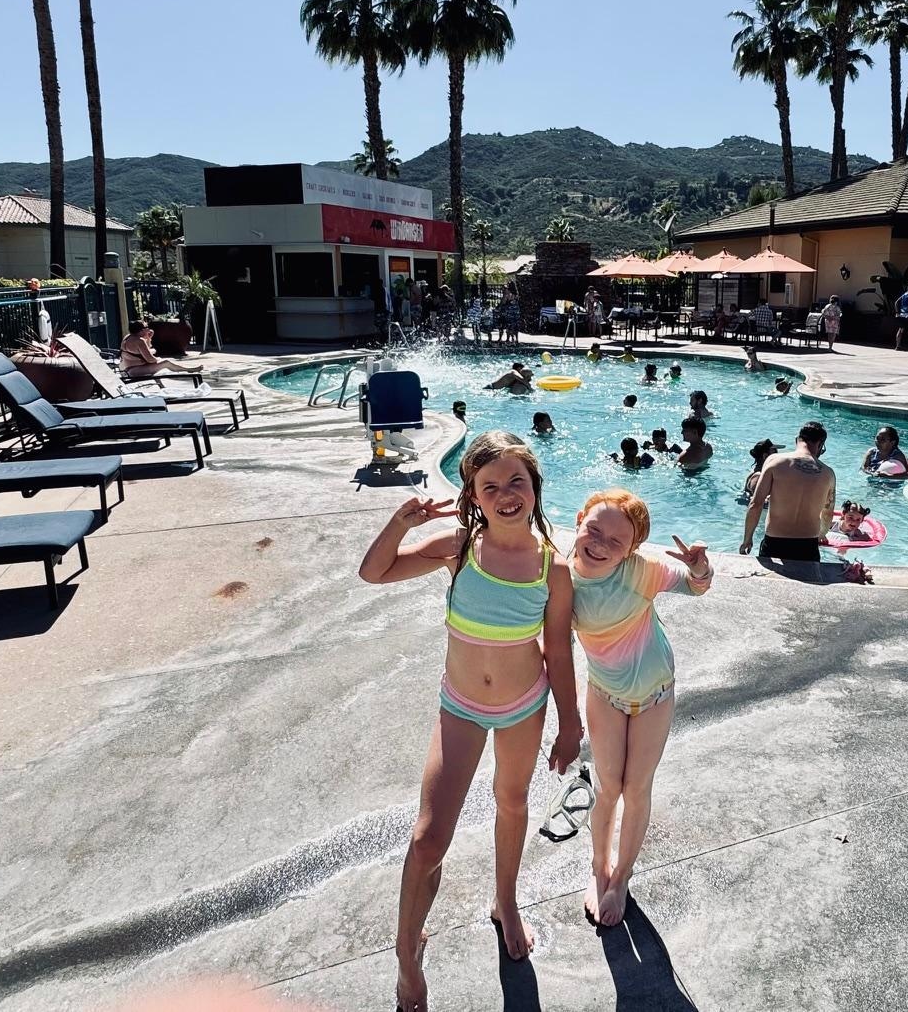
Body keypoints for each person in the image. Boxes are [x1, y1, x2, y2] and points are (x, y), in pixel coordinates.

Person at [355, 433, 581, 1010]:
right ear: (473, 496)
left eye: (516, 482)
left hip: (523, 704)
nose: (506, 495)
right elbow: (374, 573)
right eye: (490, 486)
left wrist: (570, 723)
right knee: (428, 838)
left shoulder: (552, 568)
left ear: (535, 488)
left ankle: (506, 900)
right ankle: (408, 957)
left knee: (513, 801)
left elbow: (558, 647)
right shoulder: (459, 548)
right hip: (460, 705)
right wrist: (401, 523)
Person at [567, 489, 712, 926]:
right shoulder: (559, 576)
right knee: (608, 787)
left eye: (617, 541)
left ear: (631, 549)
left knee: (637, 788)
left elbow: (696, 586)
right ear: (578, 520)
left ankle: (622, 877)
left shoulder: (641, 571)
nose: (600, 544)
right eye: (594, 530)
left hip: (655, 695)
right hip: (605, 695)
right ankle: (599, 869)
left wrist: (700, 566)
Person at [739, 421, 835, 561]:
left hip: (774, 541)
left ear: (797, 440)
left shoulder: (774, 461)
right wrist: (821, 535)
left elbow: (756, 504)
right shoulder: (828, 473)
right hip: (808, 544)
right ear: (820, 445)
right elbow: (827, 513)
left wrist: (747, 539)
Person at [118, 320, 192, 380]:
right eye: (147, 327)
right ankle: (188, 370)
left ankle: (186, 370)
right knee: (166, 363)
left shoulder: (127, 337)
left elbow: (145, 350)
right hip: (135, 371)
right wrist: (158, 358)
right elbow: (151, 360)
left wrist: (148, 337)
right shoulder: (139, 341)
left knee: (159, 359)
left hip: (127, 369)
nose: (149, 329)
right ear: (142, 330)